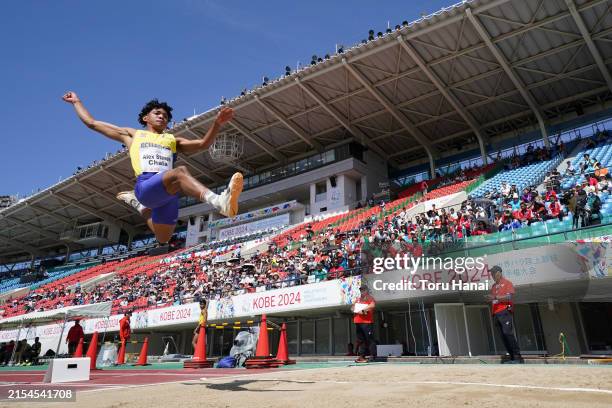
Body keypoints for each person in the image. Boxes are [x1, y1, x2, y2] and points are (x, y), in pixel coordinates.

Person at [62, 92, 243, 249]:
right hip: (146, 185)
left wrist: (217, 124)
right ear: (145, 118)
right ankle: (219, 201)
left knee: (163, 237)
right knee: (180, 172)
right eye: (157, 113)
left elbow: (203, 144)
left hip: (166, 194)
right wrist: (76, 102)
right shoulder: (132, 135)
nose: (162, 116)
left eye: (165, 115)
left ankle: (139, 206)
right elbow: (92, 123)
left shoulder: (173, 140)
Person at [486, 266, 522, 363]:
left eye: (494, 273)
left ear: (500, 273)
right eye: (491, 273)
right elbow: (494, 299)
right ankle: (512, 357)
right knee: (502, 336)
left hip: (505, 311)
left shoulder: (507, 283)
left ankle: (517, 357)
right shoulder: (493, 286)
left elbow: (509, 296)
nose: (492, 275)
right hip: (495, 313)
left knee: (508, 333)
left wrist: (495, 297)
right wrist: (491, 299)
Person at [352, 284, 376, 363]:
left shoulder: (369, 298)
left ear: (366, 290)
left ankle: (372, 356)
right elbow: (352, 308)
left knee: (369, 339)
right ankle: (362, 356)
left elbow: (372, 305)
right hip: (358, 322)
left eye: (363, 289)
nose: (362, 291)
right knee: (360, 340)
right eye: (361, 290)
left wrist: (362, 309)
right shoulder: (358, 299)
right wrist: (354, 309)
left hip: (367, 322)